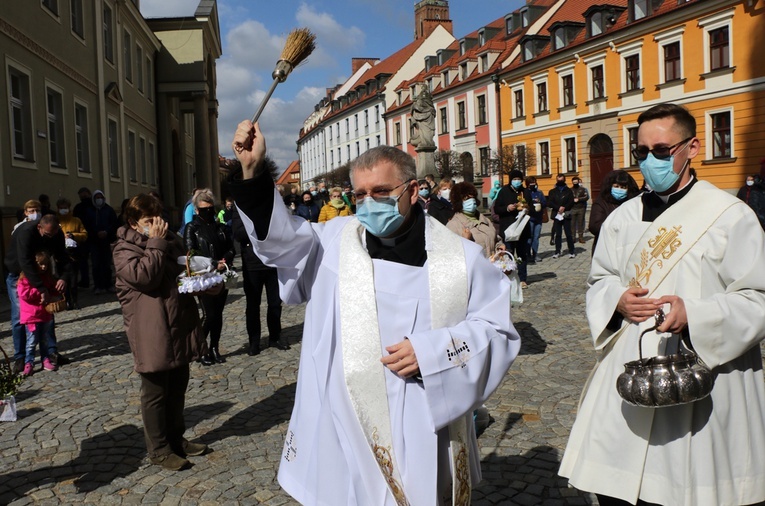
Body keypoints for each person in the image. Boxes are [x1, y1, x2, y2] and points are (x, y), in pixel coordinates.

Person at [230, 119, 520, 505]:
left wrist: (432, 353)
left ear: (413, 190)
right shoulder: (332, 244)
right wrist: (252, 171)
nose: (368, 203)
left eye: (381, 191)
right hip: (341, 423)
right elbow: (279, 243)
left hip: (420, 421)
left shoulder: (461, 261)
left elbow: (497, 333)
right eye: (360, 194)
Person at [559, 103, 765, 506]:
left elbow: (757, 297)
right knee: (618, 490)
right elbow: (600, 278)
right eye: (641, 152)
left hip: (703, 370)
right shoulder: (622, 217)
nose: (649, 161)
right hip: (630, 371)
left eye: (661, 150)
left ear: (692, 147)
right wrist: (616, 299)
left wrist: (697, 314)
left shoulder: (730, 216)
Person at [112, 194, 208, 471]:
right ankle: (159, 450)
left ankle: (177, 439)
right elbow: (146, 277)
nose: (157, 224)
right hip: (151, 330)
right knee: (155, 392)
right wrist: (156, 243)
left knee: (178, 385)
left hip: (177, 323)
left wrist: (205, 277)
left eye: (159, 218)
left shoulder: (168, 239)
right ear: (133, 223)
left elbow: (183, 269)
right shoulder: (123, 250)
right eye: (148, 221)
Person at [4, 215, 69, 374]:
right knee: (20, 316)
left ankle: (50, 352)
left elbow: (63, 257)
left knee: (48, 313)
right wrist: (40, 288)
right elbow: (24, 261)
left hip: (43, 274)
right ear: (40, 228)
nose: (51, 238)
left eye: (54, 234)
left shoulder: (56, 233)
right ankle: (21, 357)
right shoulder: (26, 232)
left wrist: (63, 278)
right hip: (18, 273)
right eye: (48, 235)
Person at [183, 189, 235, 365]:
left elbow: (231, 248)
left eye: (210, 208)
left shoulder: (221, 227)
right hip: (202, 277)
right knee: (209, 314)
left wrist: (225, 259)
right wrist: (213, 263)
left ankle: (214, 347)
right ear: (197, 210)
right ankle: (201, 348)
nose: (208, 212)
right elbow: (191, 253)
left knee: (218, 314)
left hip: (221, 274)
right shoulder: (192, 228)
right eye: (204, 209)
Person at [232, 201, 287, 355]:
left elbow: (281, 227)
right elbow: (239, 234)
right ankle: (254, 342)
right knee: (253, 306)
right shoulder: (240, 207)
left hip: (273, 262)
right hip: (252, 264)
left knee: (275, 303)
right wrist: (258, 224)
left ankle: (275, 337)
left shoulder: (271, 204)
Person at [17, 251, 60, 376]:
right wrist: (41, 292)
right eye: (41, 264)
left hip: (44, 314)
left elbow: (52, 290)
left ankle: (45, 359)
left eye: (46, 265)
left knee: (44, 339)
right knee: (31, 342)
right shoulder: (25, 279)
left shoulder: (46, 278)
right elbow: (25, 295)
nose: (43, 267)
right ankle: (29, 362)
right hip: (31, 316)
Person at [494, 170, 532, 289]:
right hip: (508, 228)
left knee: (522, 254)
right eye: (514, 179)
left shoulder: (525, 192)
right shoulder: (504, 191)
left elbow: (531, 207)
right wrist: (507, 208)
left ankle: (522, 278)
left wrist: (526, 208)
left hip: (522, 229)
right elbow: (497, 209)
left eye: (519, 179)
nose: (517, 181)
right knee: (508, 254)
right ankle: (508, 277)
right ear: (510, 180)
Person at [588, 170, 640, 252]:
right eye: (616, 186)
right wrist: (618, 228)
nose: (619, 189)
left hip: (628, 248)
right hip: (606, 248)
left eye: (623, 187)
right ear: (610, 186)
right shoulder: (601, 202)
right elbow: (594, 226)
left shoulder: (632, 202)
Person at [446, 181, 499, 257]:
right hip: (474, 267)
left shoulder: (485, 220)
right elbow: (451, 254)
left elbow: (496, 239)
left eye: (472, 198)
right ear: (459, 202)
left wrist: (499, 246)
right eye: (466, 199)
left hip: (491, 266)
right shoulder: (453, 225)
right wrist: (465, 241)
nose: (471, 201)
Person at [56, 198, 88, 309]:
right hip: (60, 253)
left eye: (65, 208)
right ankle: (66, 300)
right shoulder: (56, 221)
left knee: (73, 279)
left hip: (73, 253)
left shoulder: (76, 220)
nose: (63, 210)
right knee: (63, 279)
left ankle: (75, 300)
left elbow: (84, 235)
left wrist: (73, 235)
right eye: (61, 208)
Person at [84, 190, 118, 294]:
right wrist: (95, 233)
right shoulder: (89, 211)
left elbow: (114, 223)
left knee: (106, 264)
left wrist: (106, 232)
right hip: (94, 241)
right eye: (97, 198)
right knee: (96, 264)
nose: (99, 199)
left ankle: (108, 284)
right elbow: (87, 225)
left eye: (101, 197)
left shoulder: (109, 210)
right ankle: (98, 286)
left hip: (106, 241)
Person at [547, 174, 576, 259]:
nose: (560, 181)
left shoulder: (569, 191)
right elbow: (550, 202)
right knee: (558, 234)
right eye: (558, 180)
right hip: (557, 214)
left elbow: (571, 202)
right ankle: (557, 251)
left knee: (568, 233)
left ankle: (571, 251)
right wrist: (558, 208)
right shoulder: (552, 191)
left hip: (566, 214)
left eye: (561, 180)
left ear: (564, 180)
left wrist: (564, 207)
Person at [73, 187, 93, 289]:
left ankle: (92, 281)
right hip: (83, 237)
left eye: (84, 195)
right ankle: (85, 281)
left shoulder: (93, 206)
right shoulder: (79, 207)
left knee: (93, 261)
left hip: (93, 236)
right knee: (83, 261)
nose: (83, 197)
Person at [525, 176, 546, 263]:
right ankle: (528, 254)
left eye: (534, 182)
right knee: (530, 237)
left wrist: (540, 202)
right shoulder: (526, 192)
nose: (533, 184)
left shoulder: (539, 192)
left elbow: (545, 203)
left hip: (538, 217)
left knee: (536, 237)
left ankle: (535, 254)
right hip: (530, 218)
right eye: (531, 183)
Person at [570, 176, 589, 244]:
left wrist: (579, 199)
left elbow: (587, 197)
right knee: (572, 224)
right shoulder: (570, 190)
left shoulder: (583, 189)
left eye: (576, 181)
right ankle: (573, 237)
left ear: (578, 181)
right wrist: (572, 200)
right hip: (573, 208)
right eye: (574, 181)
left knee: (580, 223)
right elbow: (567, 198)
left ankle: (581, 237)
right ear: (572, 182)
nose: (575, 183)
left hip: (581, 208)